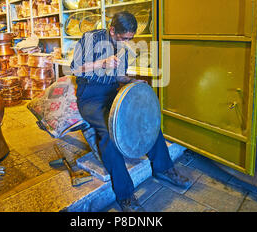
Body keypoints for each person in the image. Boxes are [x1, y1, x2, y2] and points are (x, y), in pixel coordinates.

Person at [70, 11, 190, 212]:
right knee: (110, 132)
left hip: (111, 93)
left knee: (145, 118)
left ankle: (163, 168)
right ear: (112, 30)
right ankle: (125, 195)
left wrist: (132, 82)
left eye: (130, 38)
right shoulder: (90, 39)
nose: (127, 41)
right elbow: (74, 69)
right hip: (90, 96)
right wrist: (102, 63)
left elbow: (119, 77)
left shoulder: (123, 48)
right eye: (124, 38)